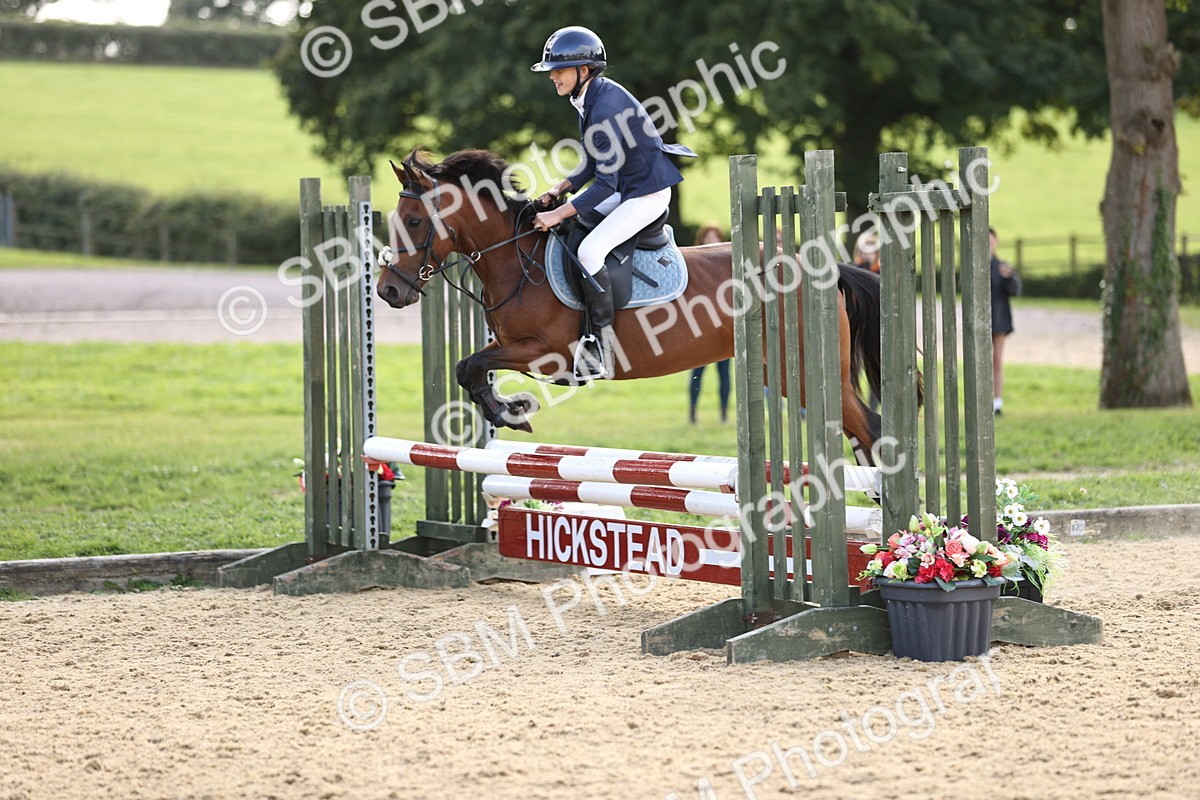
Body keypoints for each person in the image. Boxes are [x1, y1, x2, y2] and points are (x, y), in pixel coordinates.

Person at [530, 26, 697, 380]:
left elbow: (604, 185)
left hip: (645, 194)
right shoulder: (590, 98)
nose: (553, 77)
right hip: (626, 188)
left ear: (584, 70)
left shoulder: (603, 106)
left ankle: (598, 346)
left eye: (558, 70)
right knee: (572, 225)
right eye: (551, 71)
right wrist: (561, 187)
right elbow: (593, 163)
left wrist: (557, 212)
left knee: (590, 250)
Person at [688, 224, 731, 424]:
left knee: (724, 375)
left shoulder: (727, 266)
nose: (712, 240)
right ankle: (693, 412)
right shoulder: (696, 267)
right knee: (697, 373)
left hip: (723, 327)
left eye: (715, 236)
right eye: (708, 237)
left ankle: (723, 412)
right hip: (700, 329)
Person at [989, 227, 1021, 415]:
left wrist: (1008, 278)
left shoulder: (1003, 267)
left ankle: (997, 402)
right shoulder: (975, 266)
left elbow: (1016, 290)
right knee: (983, 361)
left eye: (991, 241)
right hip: (980, 322)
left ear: (996, 243)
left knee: (997, 360)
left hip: (999, 319)